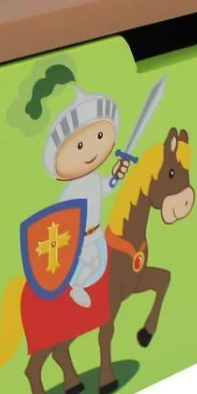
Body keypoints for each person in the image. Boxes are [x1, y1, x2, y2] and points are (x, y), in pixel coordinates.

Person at [43, 85, 130, 307]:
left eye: (100, 136)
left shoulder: (94, 179)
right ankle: (77, 288)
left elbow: (108, 187)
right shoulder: (70, 191)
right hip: (80, 240)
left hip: (97, 235)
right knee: (91, 263)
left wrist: (117, 174)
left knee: (103, 262)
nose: (90, 151)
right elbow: (65, 220)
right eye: (79, 145)